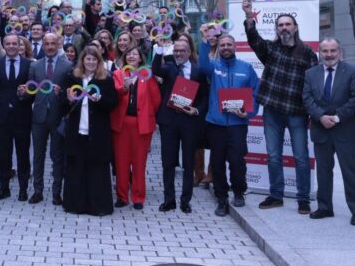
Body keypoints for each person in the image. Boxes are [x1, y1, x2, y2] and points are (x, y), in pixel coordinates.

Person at [242, 0, 318, 214]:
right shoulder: (270, 49)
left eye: (288, 24)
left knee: (301, 158)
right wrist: (249, 16)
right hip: (273, 112)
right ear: (276, 29)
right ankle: (276, 195)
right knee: (273, 156)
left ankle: (303, 199)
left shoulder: (308, 54)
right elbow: (253, 39)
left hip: (297, 113)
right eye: (280, 25)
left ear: (295, 28)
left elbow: (313, 86)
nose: (284, 28)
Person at [302, 38, 355, 226]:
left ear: (340, 52)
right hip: (321, 130)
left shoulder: (353, 72)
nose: (329, 54)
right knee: (323, 171)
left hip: (346, 130)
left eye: (333, 50)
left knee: (351, 171)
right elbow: (307, 98)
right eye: (325, 51)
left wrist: (337, 117)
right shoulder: (310, 73)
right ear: (319, 53)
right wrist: (321, 117)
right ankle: (324, 207)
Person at [199, 33, 260, 216]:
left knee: (237, 160)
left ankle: (239, 191)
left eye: (229, 45)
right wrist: (204, 42)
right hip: (216, 123)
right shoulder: (214, 66)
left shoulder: (246, 68)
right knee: (217, 163)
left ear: (235, 47)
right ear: (218, 47)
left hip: (237, 124)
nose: (226, 47)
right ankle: (221, 197)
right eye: (222, 45)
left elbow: (255, 93)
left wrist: (248, 113)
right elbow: (202, 66)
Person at [152, 38, 209, 213]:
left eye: (182, 50)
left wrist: (197, 110)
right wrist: (160, 50)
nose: (178, 53)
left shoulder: (198, 71)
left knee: (188, 163)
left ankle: (186, 200)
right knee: (168, 161)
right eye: (176, 50)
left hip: (189, 121)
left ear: (189, 52)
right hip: (169, 121)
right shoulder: (169, 68)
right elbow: (156, 69)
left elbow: (205, 96)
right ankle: (169, 200)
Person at [61, 46, 118, 216]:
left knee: (97, 169)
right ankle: (76, 205)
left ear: (99, 62)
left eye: (94, 59)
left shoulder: (106, 79)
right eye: (88, 59)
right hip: (77, 131)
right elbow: (62, 103)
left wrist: (99, 100)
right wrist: (69, 100)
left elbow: (112, 103)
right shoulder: (73, 77)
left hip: (97, 132)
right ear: (82, 61)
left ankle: (98, 206)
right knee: (76, 168)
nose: (91, 62)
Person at [111, 46, 161, 209]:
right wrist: (124, 88)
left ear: (140, 58)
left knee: (139, 163)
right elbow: (115, 95)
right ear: (125, 58)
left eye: (135, 54)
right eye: (129, 54)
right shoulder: (118, 74)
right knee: (121, 162)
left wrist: (147, 115)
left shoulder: (147, 75)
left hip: (141, 125)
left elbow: (156, 100)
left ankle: (138, 197)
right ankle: (122, 196)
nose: (132, 57)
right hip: (122, 124)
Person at [28, 32, 72, 205]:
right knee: (38, 156)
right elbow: (30, 91)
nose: (50, 47)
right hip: (38, 118)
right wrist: (23, 93)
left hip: (57, 117)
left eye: (53, 43)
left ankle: (56, 192)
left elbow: (70, 95)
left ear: (59, 44)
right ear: (43, 45)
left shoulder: (67, 65)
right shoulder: (35, 66)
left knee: (57, 157)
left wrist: (61, 93)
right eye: (46, 43)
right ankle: (37, 191)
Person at [0, 33, 33, 201]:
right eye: (8, 44)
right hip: (3, 117)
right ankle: (4, 188)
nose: (12, 46)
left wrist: (26, 95)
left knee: (23, 155)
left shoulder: (29, 65)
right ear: (4, 45)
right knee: (4, 156)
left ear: (20, 45)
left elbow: (33, 91)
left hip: (23, 115)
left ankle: (23, 189)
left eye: (15, 43)